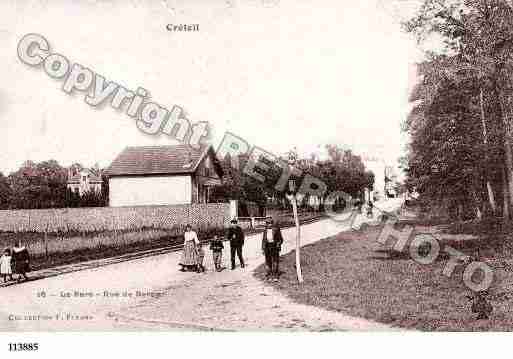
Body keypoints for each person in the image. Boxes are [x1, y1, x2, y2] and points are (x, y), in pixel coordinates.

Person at [261, 217, 283, 282]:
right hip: (267, 247)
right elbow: (264, 240)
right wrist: (263, 248)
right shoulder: (265, 230)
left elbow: (281, 239)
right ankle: (269, 276)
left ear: (272, 223)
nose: (269, 225)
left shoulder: (276, 230)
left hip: (274, 246)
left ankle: (275, 276)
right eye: (267, 223)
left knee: (275, 262)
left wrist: (278, 244)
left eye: (270, 223)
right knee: (268, 262)